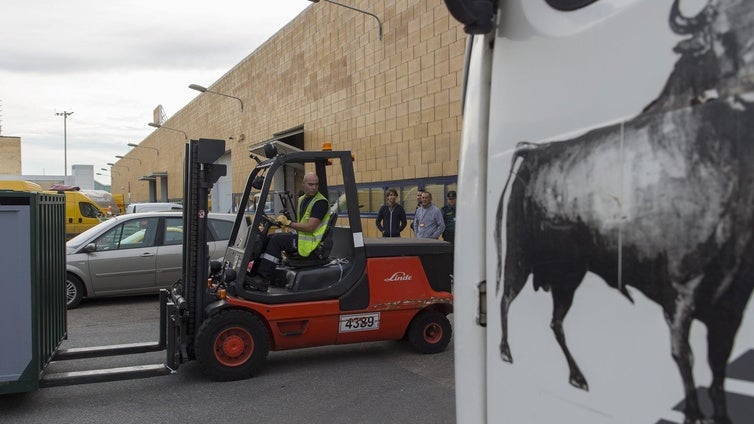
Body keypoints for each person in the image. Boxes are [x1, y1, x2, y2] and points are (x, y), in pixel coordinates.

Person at [247, 173, 330, 292]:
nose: (314, 187)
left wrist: (289, 223)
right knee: (269, 238)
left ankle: (263, 278)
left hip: (311, 244)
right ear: (303, 184)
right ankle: (254, 273)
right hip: (303, 237)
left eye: (316, 185)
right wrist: (292, 227)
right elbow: (303, 222)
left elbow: (311, 227)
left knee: (276, 241)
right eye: (310, 184)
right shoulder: (303, 199)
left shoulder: (320, 202)